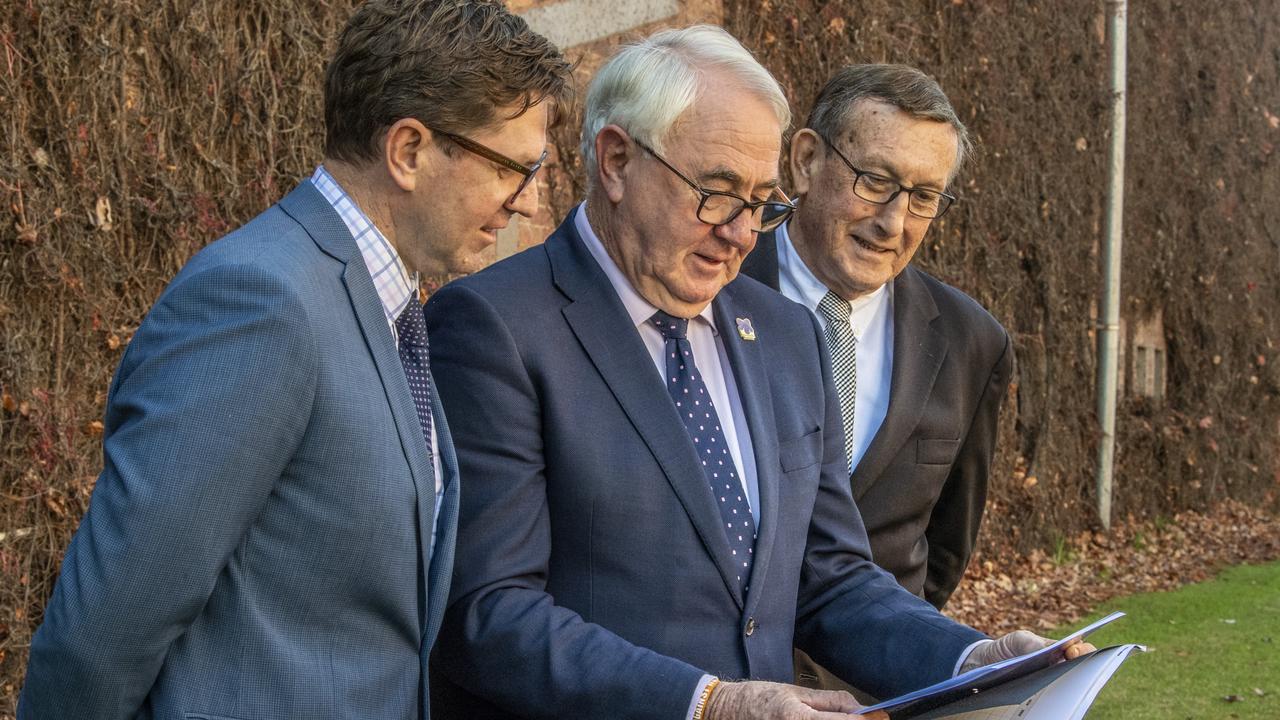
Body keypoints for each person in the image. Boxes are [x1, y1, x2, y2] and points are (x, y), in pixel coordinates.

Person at [425, 26, 1081, 720]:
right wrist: (706, 705)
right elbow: (487, 614)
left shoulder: (786, 333)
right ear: (616, 161)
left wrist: (966, 661)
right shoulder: (494, 327)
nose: (742, 231)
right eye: (716, 192)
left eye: (762, 200)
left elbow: (829, 579)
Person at [17, 2, 569, 718]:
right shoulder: (260, 302)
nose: (526, 204)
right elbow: (105, 628)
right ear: (408, 151)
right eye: (513, 170)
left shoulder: (388, 302)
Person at [741, 65, 1011, 614]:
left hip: (874, 690)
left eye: (924, 196)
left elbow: (943, 555)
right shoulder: (715, 288)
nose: (894, 222)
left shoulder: (972, 343)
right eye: (876, 182)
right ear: (806, 162)